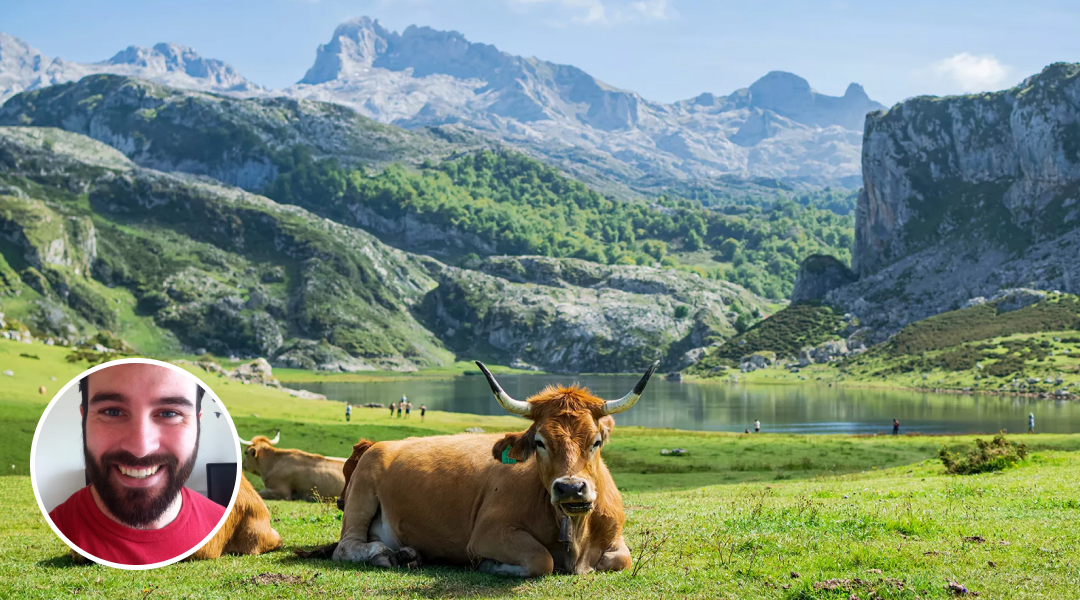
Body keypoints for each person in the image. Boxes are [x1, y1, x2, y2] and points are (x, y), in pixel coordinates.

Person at [48, 363, 226, 566]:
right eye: (112, 412)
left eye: (169, 413)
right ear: (84, 418)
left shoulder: (222, 521)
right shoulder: (58, 526)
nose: (140, 448)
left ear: (197, 423)